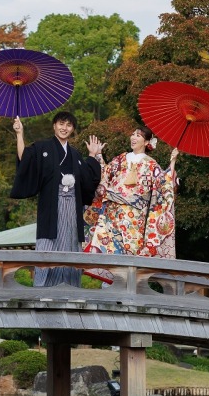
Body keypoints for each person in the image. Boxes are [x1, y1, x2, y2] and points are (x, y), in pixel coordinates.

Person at [10, 111, 103, 286]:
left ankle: (69, 288)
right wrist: (19, 133)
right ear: (54, 126)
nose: (64, 128)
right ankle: (43, 288)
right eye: (61, 124)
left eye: (68, 125)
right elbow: (25, 160)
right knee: (48, 243)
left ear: (72, 129)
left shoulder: (75, 155)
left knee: (70, 242)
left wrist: (92, 156)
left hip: (72, 207)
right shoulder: (43, 147)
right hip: (51, 206)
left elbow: (89, 181)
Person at [84, 126, 179, 258]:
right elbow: (105, 174)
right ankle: (108, 279)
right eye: (133, 134)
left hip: (134, 215)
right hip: (112, 211)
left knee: (130, 250)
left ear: (146, 142)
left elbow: (164, 184)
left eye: (138, 136)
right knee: (106, 245)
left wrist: (172, 162)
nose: (133, 137)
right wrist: (98, 154)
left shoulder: (151, 164)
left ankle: (126, 278)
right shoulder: (121, 158)